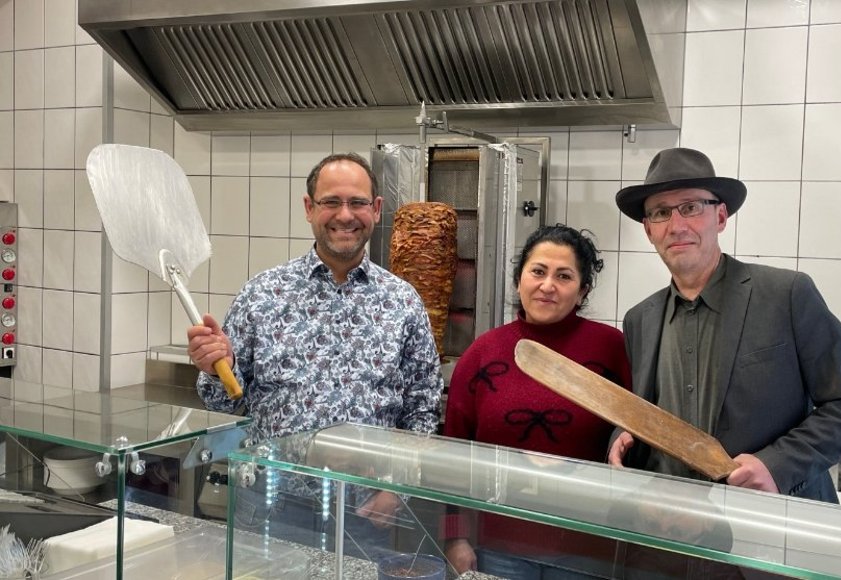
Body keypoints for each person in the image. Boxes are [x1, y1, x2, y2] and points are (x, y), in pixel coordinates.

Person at [187, 152, 443, 555]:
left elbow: (423, 411)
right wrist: (218, 366)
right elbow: (223, 402)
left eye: (358, 202)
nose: (345, 215)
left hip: (360, 513)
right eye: (331, 202)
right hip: (267, 504)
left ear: (376, 210)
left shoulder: (403, 303)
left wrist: (398, 490)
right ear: (309, 209)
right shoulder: (263, 294)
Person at [608, 147, 841, 503]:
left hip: (770, 522)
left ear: (720, 216)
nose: (677, 225)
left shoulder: (787, 295)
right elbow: (645, 412)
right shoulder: (640, 319)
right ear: (648, 230)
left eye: (690, 207)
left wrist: (777, 465)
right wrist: (623, 437)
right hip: (674, 520)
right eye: (660, 213)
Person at [441, 224, 632, 579]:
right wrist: (456, 537)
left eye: (564, 276)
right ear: (519, 280)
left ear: (582, 290)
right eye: (538, 272)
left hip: (588, 548)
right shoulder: (484, 353)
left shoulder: (611, 349)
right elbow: (455, 452)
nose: (548, 286)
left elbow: (634, 435)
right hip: (498, 545)